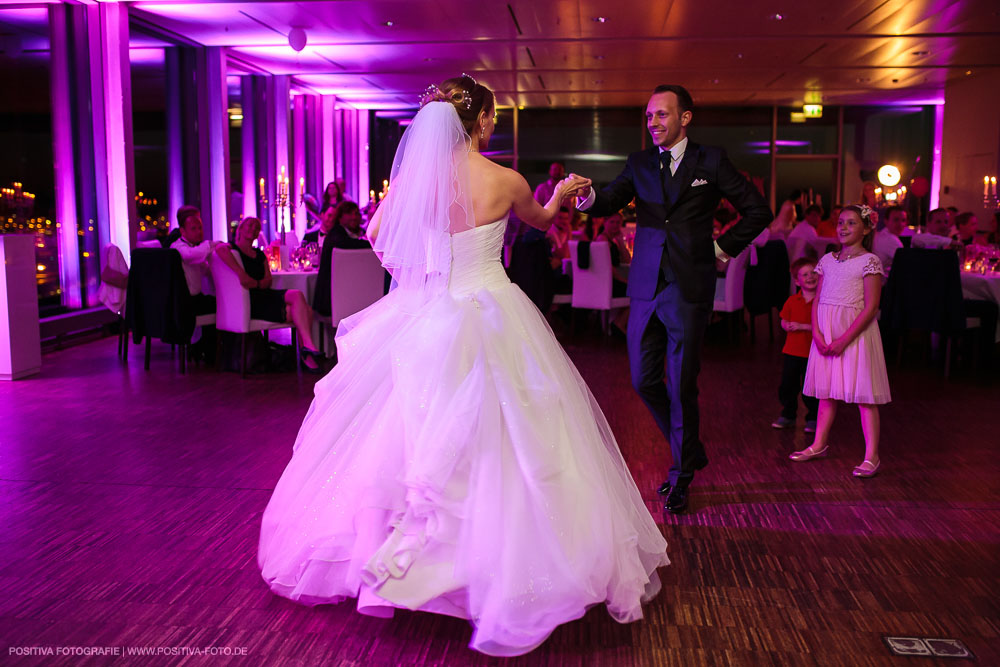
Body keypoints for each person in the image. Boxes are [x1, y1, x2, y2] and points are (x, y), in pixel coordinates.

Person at [257, 75, 668, 657]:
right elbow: (545, 222)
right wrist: (566, 191)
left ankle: (401, 562)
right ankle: (493, 567)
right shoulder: (504, 180)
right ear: (480, 122)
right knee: (512, 437)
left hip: (428, 312)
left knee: (408, 435)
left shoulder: (412, 182)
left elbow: (376, 235)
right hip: (491, 306)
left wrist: (423, 277)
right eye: (493, 116)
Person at [574, 84, 772, 514]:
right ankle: (692, 448)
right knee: (643, 380)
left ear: (685, 118)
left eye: (661, 115)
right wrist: (588, 196)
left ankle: (681, 474)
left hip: (688, 286)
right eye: (648, 116)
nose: (653, 123)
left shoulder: (711, 161)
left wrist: (721, 249)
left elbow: (758, 211)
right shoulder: (639, 163)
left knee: (682, 384)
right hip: (645, 286)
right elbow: (608, 200)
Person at [791, 205, 890, 477]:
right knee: (826, 393)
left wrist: (845, 339)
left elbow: (871, 307)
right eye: (841, 223)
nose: (843, 228)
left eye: (852, 223)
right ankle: (819, 443)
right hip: (826, 332)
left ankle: (872, 456)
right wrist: (818, 333)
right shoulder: (827, 260)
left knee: (865, 396)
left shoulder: (869, 261)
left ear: (866, 228)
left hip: (855, 334)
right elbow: (817, 300)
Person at [214, 217, 324, 373]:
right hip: (251, 302)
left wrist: (259, 283)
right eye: (249, 225)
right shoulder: (232, 249)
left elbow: (268, 280)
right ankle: (308, 357)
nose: (253, 229)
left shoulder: (259, 254)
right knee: (306, 311)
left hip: (265, 294)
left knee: (297, 295)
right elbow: (219, 249)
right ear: (240, 229)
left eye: (256, 227)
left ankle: (307, 348)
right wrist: (241, 274)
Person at [772, 258, 820, 433]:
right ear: (798, 281)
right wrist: (786, 325)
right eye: (805, 274)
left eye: (813, 273)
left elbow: (822, 327)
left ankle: (813, 417)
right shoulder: (792, 301)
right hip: (792, 351)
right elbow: (784, 319)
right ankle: (788, 414)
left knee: (811, 388)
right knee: (788, 385)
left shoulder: (822, 302)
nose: (810, 277)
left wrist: (802, 327)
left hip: (813, 353)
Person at [311, 201, 374, 319]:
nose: (354, 217)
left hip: (348, 294)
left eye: (356, 213)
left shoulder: (354, 234)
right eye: (349, 214)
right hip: (330, 299)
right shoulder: (336, 234)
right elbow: (347, 244)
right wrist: (374, 244)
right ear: (340, 217)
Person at [872, 205, 905, 273]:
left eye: (903, 220)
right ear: (886, 221)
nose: (900, 224)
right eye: (896, 220)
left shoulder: (881, 234)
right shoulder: (890, 239)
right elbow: (907, 264)